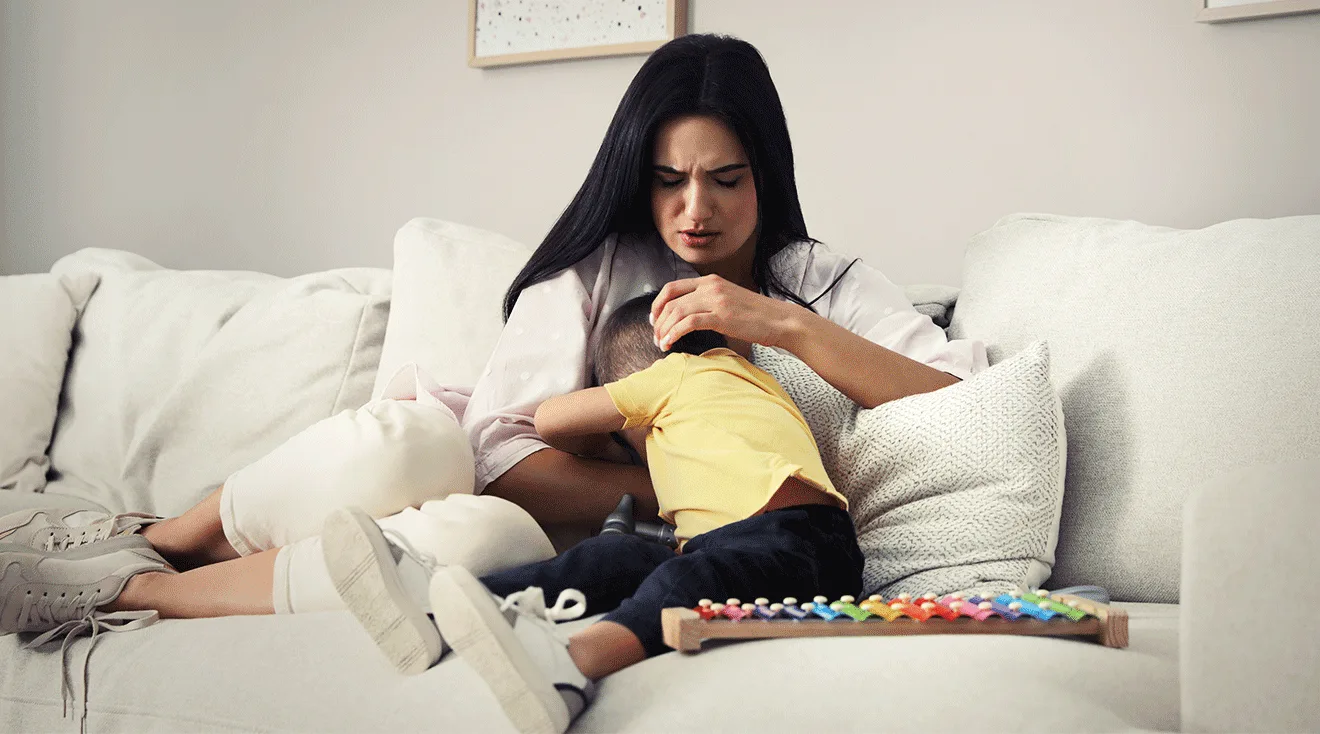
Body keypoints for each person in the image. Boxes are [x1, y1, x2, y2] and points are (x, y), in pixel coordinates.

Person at [1, 28, 984, 698]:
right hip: (487, 468)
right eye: (670, 180)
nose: (696, 210)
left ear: (766, 175)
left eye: (726, 180)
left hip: (578, 536)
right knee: (408, 445)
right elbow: (507, 446)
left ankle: (133, 595)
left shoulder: (820, 282)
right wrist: (679, 469)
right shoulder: (602, 264)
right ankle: (155, 535)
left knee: (466, 557)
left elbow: (958, 404)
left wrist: (779, 322)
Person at [332, 289, 865, 732]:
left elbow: (550, 421)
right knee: (618, 556)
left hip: (798, 541)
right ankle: (450, 605)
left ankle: (573, 665)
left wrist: (611, 436)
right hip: (750, 544)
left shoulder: (677, 374)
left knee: (691, 579)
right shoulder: (756, 389)